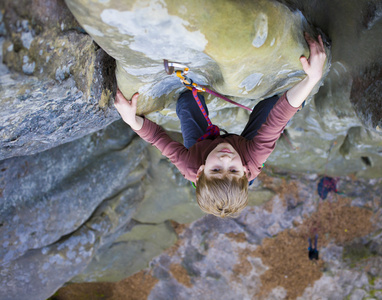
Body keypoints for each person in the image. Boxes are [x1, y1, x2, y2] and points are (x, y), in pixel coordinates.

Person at [114, 33, 327, 218]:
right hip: (244, 148)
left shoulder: (190, 164)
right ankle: (300, 99)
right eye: (232, 170)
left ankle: (211, 163)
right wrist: (311, 80)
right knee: (272, 105)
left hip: (204, 145)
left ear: (200, 173)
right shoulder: (253, 158)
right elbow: (275, 122)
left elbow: (159, 140)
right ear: (244, 171)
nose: (226, 159)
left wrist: (131, 120)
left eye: (216, 169)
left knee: (187, 102)